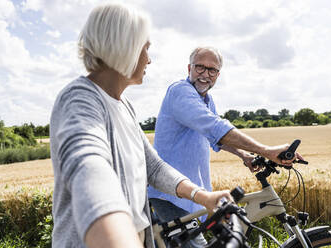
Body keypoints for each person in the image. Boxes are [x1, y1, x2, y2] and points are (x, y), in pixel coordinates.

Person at [50, 5, 232, 248]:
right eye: (146, 48)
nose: (149, 58)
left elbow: (154, 168)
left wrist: (202, 196)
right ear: (123, 48)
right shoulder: (80, 100)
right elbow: (89, 169)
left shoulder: (123, 104)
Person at [148, 47, 304, 247]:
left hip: (191, 191)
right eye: (200, 68)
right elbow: (215, 127)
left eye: (211, 70)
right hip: (171, 193)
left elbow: (215, 137)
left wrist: (244, 155)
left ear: (218, 74)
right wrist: (266, 150)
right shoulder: (180, 91)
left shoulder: (206, 99)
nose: (205, 74)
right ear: (189, 68)